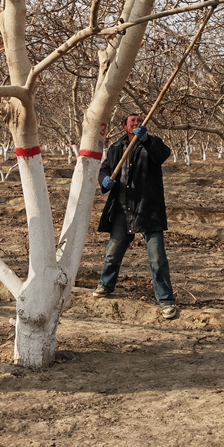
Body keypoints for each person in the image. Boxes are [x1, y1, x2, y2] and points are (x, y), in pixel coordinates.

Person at [92, 114, 178, 320]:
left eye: (140, 121)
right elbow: (105, 169)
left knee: (157, 258)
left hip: (148, 210)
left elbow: (162, 155)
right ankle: (105, 285)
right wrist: (104, 180)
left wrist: (147, 139)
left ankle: (166, 300)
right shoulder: (115, 149)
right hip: (123, 209)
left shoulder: (151, 143)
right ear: (125, 127)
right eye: (133, 121)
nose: (138, 123)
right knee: (113, 252)